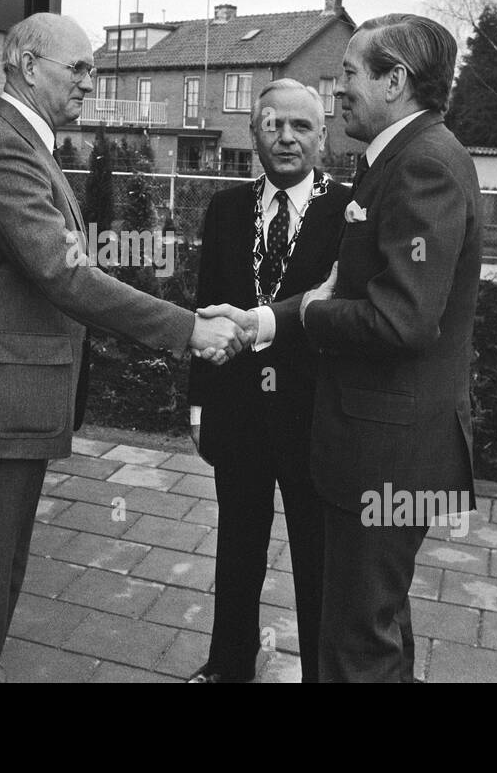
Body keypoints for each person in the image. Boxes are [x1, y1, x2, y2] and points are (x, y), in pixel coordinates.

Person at [0, 12, 246, 683]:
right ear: (28, 66)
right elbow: (63, 273)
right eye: (80, 69)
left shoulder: (17, 140)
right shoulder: (2, 145)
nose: (91, 84)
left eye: (92, 69)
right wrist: (186, 330)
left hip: (12, 403)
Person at [200, 13, 481, 682]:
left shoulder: (423, 167)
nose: (340, 92)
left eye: (350, 74)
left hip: (382, 454)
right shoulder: (404, 160)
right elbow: (343, 289)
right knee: (373, 634)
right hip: (377, 447)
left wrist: (313, 316)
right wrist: (269, 321)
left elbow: (402, 319)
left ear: (395, 80)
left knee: (356, 649)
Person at [186, 79, 347, 683]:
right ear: (253, 134)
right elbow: (205, 309)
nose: (286, 138)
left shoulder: (348, 212)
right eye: (273, 125)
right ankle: (229, 665)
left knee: (317, 557)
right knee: (237, 550)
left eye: (301, 126)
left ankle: (321, 674)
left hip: (314, 417)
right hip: (238, 414)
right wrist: (198, 403)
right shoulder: (226, 210)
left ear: (322, 136)